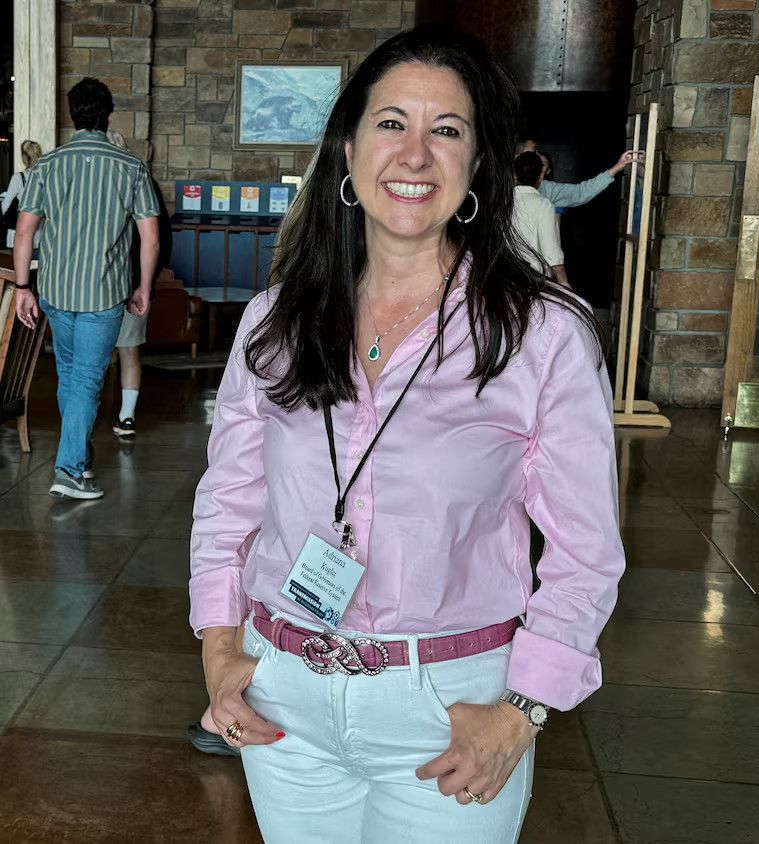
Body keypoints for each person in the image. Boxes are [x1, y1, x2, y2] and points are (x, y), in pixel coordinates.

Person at [189, 26, 624, 843]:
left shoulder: (541, 334)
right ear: (349, 150)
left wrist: (523, 711)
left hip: (450, 710)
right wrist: (219, 650)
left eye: (446, 130)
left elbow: (586, 550)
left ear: (478, 165)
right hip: (283, 702)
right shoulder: (276, 321)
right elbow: (228, 502)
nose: (415, 153)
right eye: (392, 123)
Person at [12, 78, 160, 499]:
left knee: (72, 376)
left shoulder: (46, 166)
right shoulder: (131, 168)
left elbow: (24, 231)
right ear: (108, 115)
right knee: (87, 379)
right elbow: (149, 239)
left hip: (56, 292)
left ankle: (78, 455)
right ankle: (70, 470)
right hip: (103, 293)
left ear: (71, 114)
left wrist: (23, 287)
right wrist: (144, 286)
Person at [105, 129, 173, 439]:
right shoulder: (144, 181)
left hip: (110, 283)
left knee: (99, 354)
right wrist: (149, 280)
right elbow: (162, 238)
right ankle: (126, 416)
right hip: (135, 281)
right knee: (130, 351)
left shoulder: (97, 185)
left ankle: (102, 415)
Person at [517, 139, 640, 209]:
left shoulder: (547, 190)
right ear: (517, 157)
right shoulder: (506, 187)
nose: (538, 157)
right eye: (533, 152)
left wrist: (617, 167)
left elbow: (580, 193)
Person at [511, 151, 568, 288]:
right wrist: (563, 282)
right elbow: (551, 252)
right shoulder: (544, 205)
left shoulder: (501, 202)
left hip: (501, 279)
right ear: (540, 177)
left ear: (515, 175)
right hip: (531, 282)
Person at [2, 140, 43, 248]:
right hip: (39, 235)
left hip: (18, 235)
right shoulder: (46, 177)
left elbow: (5, 207)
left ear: (25, 157)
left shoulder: (18, 178)